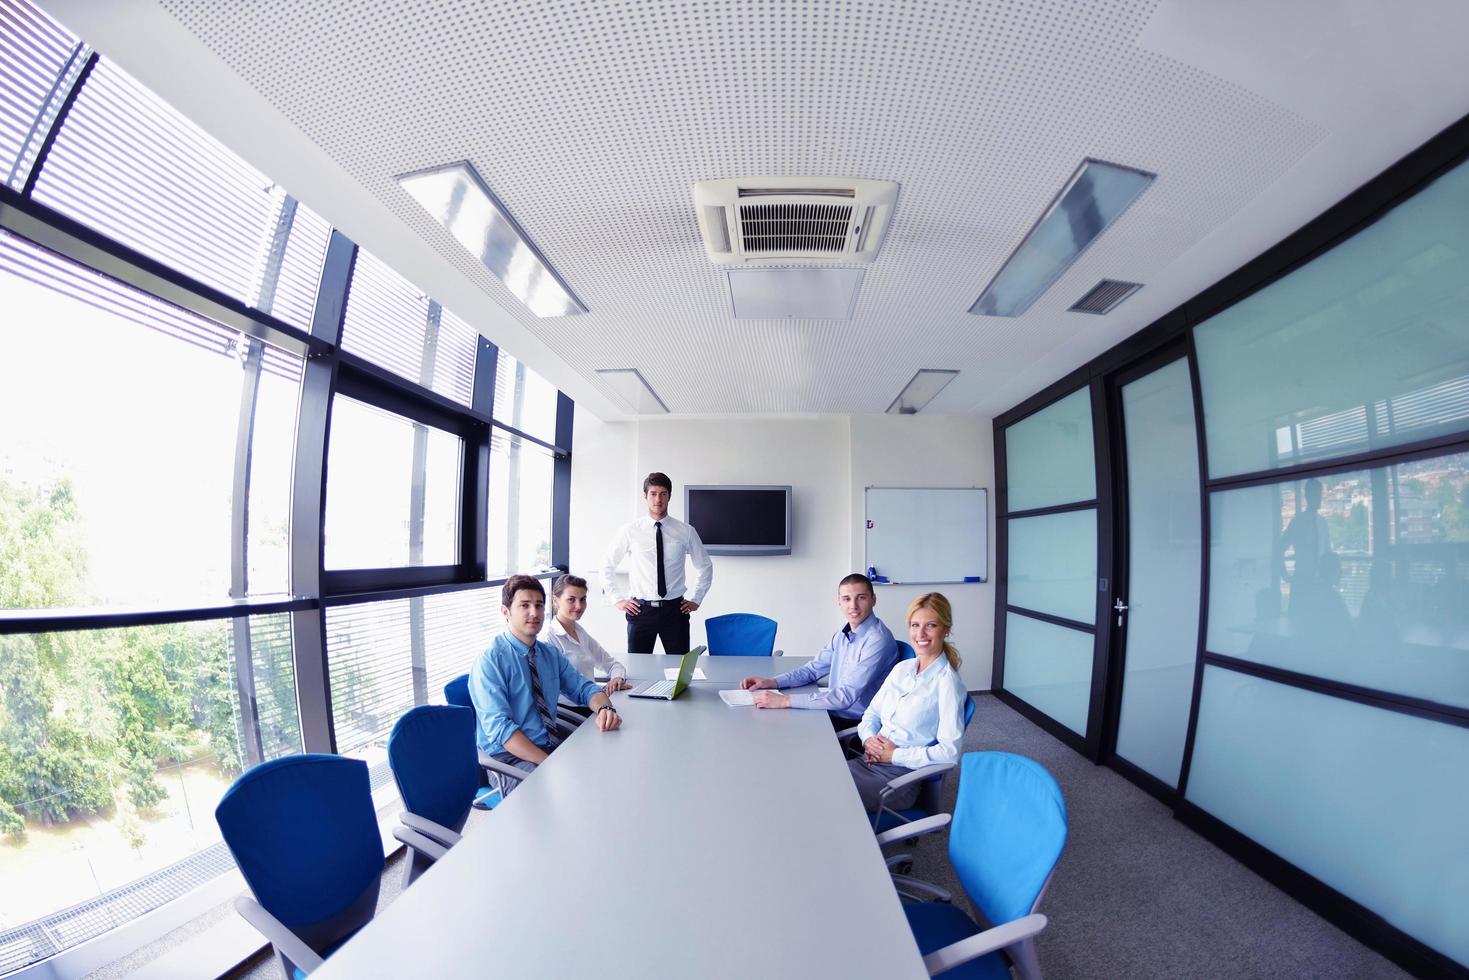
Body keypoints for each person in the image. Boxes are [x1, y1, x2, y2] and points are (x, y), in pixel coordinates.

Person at [469, 575, 622, 795]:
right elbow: (503, 732)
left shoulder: (549, 654)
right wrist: (551, 763)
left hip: (548, 743)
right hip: (509, 758)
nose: (534, 613)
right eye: (524, 605)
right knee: (558, 796)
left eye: (539, 605)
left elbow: (583, 688)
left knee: (603, 772)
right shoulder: (490, 661)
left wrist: (605, 708)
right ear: (505, 612)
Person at [847, 592, 967, 814]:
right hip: (868, 761)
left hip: (898, 779)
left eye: (930, 625)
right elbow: (871, 714)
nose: (920, 633)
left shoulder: (947, 684)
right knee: (816, 780)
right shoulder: (902, 669)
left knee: (827, 795)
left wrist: (894, 755)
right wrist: (868, 739)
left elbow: (950, 752)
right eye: (915, 625)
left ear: (946, 629)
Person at [739, 573, 898, 730]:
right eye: (846, 599)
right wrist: (771, 682)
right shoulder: (843, 634)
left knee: (776, 729)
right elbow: (812, 670)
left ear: (873, 600)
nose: (853, 606)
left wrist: (784, 701)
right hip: (832, 710)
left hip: (854, 722)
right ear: (839, 602)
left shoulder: (878, 640)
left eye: (861, 598)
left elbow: (845, 697)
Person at [600, 471, 713, 656]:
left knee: (679, 671)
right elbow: (607, 564)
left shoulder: (686, 531)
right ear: (645, 496)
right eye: (653, 493)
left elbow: (705, 566)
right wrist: (617, 599)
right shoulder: (630, 530)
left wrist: (697, 599)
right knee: (638, 669)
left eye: (663, 493)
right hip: (640, 611)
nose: (658, 499)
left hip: (675, 611)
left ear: (669, 496)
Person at [541, 573, 631, 711]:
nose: (579, 606)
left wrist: (617, 679)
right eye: (571, 600)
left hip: (592, 704)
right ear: (555, 600)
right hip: (568, 711)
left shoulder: (580, 632)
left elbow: (612, 664)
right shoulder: (549, 639)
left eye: (583, 599)